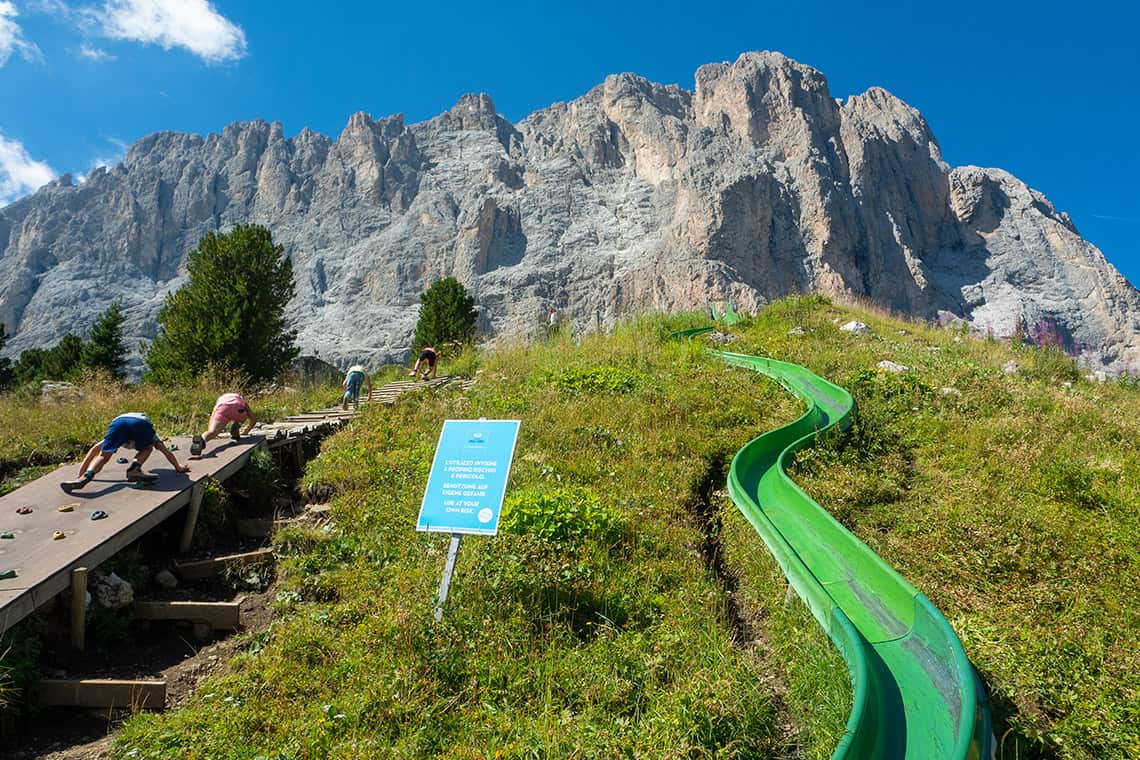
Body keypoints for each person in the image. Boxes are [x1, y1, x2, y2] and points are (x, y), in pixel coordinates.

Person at [61, 412, 190, 493]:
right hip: (141, 423)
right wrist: (178, 467)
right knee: (147, 448)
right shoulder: (151, 434)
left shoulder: (120, 427)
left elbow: (94, 450)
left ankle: (86, 477)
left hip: (119, 423)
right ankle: (134, 469)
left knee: (103, 456)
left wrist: (81, 473)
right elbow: (166, 451)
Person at [191, 392, 256, 457]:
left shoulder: (220, 400)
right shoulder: (240, 400)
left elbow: (213, 416)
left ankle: (202, 440)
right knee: (244, 414)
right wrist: (246, 431)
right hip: (238, 409)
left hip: (222, 409)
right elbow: (253, 420)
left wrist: (211, 432)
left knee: (212, 431)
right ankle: (236, 426)